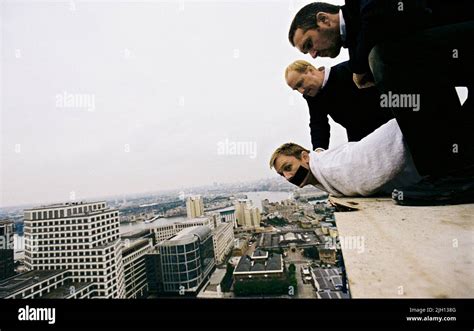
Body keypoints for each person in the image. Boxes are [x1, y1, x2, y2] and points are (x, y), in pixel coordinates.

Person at [287, 1, 474, 204]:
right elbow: (318, 124)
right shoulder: (353, 45)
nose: (313, 54)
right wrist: (320, 155)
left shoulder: (360, 13)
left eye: (309, 44)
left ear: (324, 19)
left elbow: (377, 14)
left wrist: (359, 68)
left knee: (385, 57)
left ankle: (451, 172)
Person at [269, 119, 421, 197]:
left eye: (288, 168)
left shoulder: (335, 167)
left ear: (305, 157)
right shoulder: (322, 172)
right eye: (282, 174)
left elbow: (374, 151)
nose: (288, 177)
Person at [285, 60, 392, 150]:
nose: (301, 91)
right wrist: (319, 151)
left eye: (300, 84)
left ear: (310, 71)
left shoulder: (348, 69)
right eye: (296, 89)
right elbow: (318, 124)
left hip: (391, 125)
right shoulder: (312, 97)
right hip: (361, 141)